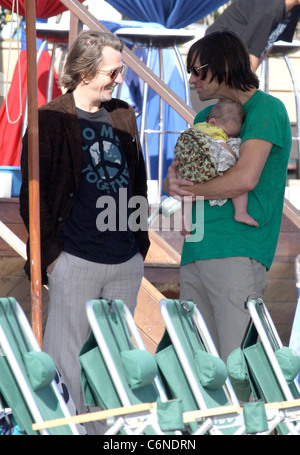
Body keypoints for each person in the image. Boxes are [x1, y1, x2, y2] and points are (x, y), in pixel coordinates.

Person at [19, 30, 150, 433]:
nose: (119, 77)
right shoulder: (49, 119)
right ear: (85, 71)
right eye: (113, 71)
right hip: (74, 258)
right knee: (67, 363)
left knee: (116, 361)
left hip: (123, 260)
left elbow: (138, 182)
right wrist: (54, 257)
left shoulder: (124, 114)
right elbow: (33, 197)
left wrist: (138, 245)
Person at [163, 31, 292, 361]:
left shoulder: (267, 109)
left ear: (220, 66)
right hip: (196, 250)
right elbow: (183, 172)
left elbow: (244, 179)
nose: (191, 79)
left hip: (239, 252)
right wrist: (171, 183)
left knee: (238, 367)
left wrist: (190, 190)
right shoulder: (204, 118)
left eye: (197, 70)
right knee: (199, 369)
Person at [174, 98, 258, 235]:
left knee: (187, 191)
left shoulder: (197, 127)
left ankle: (185, 220)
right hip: (206, 166)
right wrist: (235, 157)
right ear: (213, 122)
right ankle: (241, 212)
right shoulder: (213, 131)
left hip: (189, 168)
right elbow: (222, 147)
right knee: (239, 182)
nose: (227, 136)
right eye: (228, 134)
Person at [206, 0, 300, 71]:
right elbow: (251, 52)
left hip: (242, 51)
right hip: (218, 46)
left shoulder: (293, 9)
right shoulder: (270, 8)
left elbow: (270, 41)